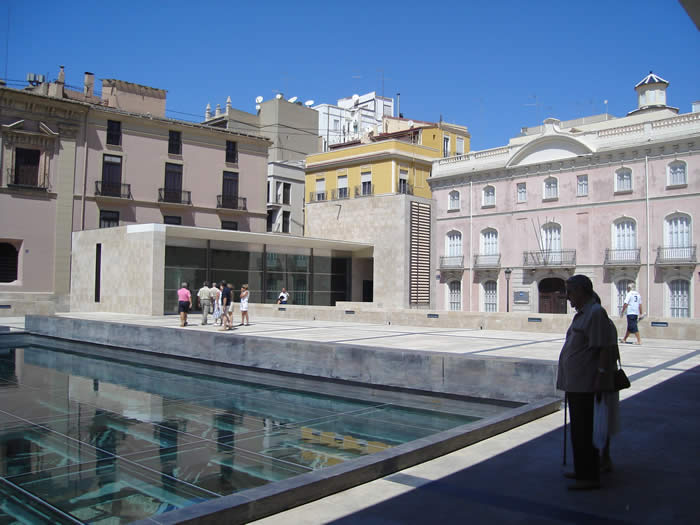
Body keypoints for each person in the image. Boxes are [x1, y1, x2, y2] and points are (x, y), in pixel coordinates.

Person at [556, 275, 616, 490]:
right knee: (578, 430)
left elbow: (603, 349)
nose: (567, 297)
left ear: (582, 290)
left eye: (570, 292)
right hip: (575, 382)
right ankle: (582, 470)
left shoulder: (595, 313)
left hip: (586, 384)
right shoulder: (582, 314)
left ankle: (589, 476)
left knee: (584, 430)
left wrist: (600, 377)